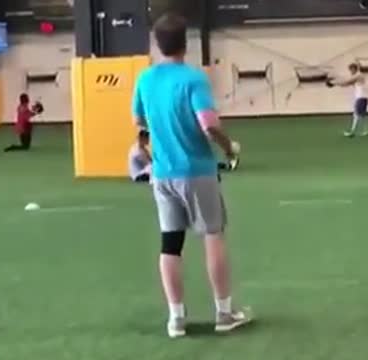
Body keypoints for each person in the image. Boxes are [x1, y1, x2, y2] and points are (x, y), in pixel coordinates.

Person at [132, 12, 252, 339]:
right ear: (186, 43)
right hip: (197, 171)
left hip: (163, 174)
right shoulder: (193, 79)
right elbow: (209, 124)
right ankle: (224, 314)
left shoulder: (144, 79)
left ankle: (176, 319)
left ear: (157, 44)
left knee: (170, 244)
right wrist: (229, 148)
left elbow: (140, 121)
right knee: (212, 236)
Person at [327, 63, 368, 138]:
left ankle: (352, 132)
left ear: (354, 69)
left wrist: (332, 82)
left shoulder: (358, 75)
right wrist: (335, 83)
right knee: (362, 116)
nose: (350, 72)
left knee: (356, 114)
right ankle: (364, 131)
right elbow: (345, 84)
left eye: (351, 70)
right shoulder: (358, 77)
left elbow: (346, 82)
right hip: (363, 97)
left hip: (360, 98)